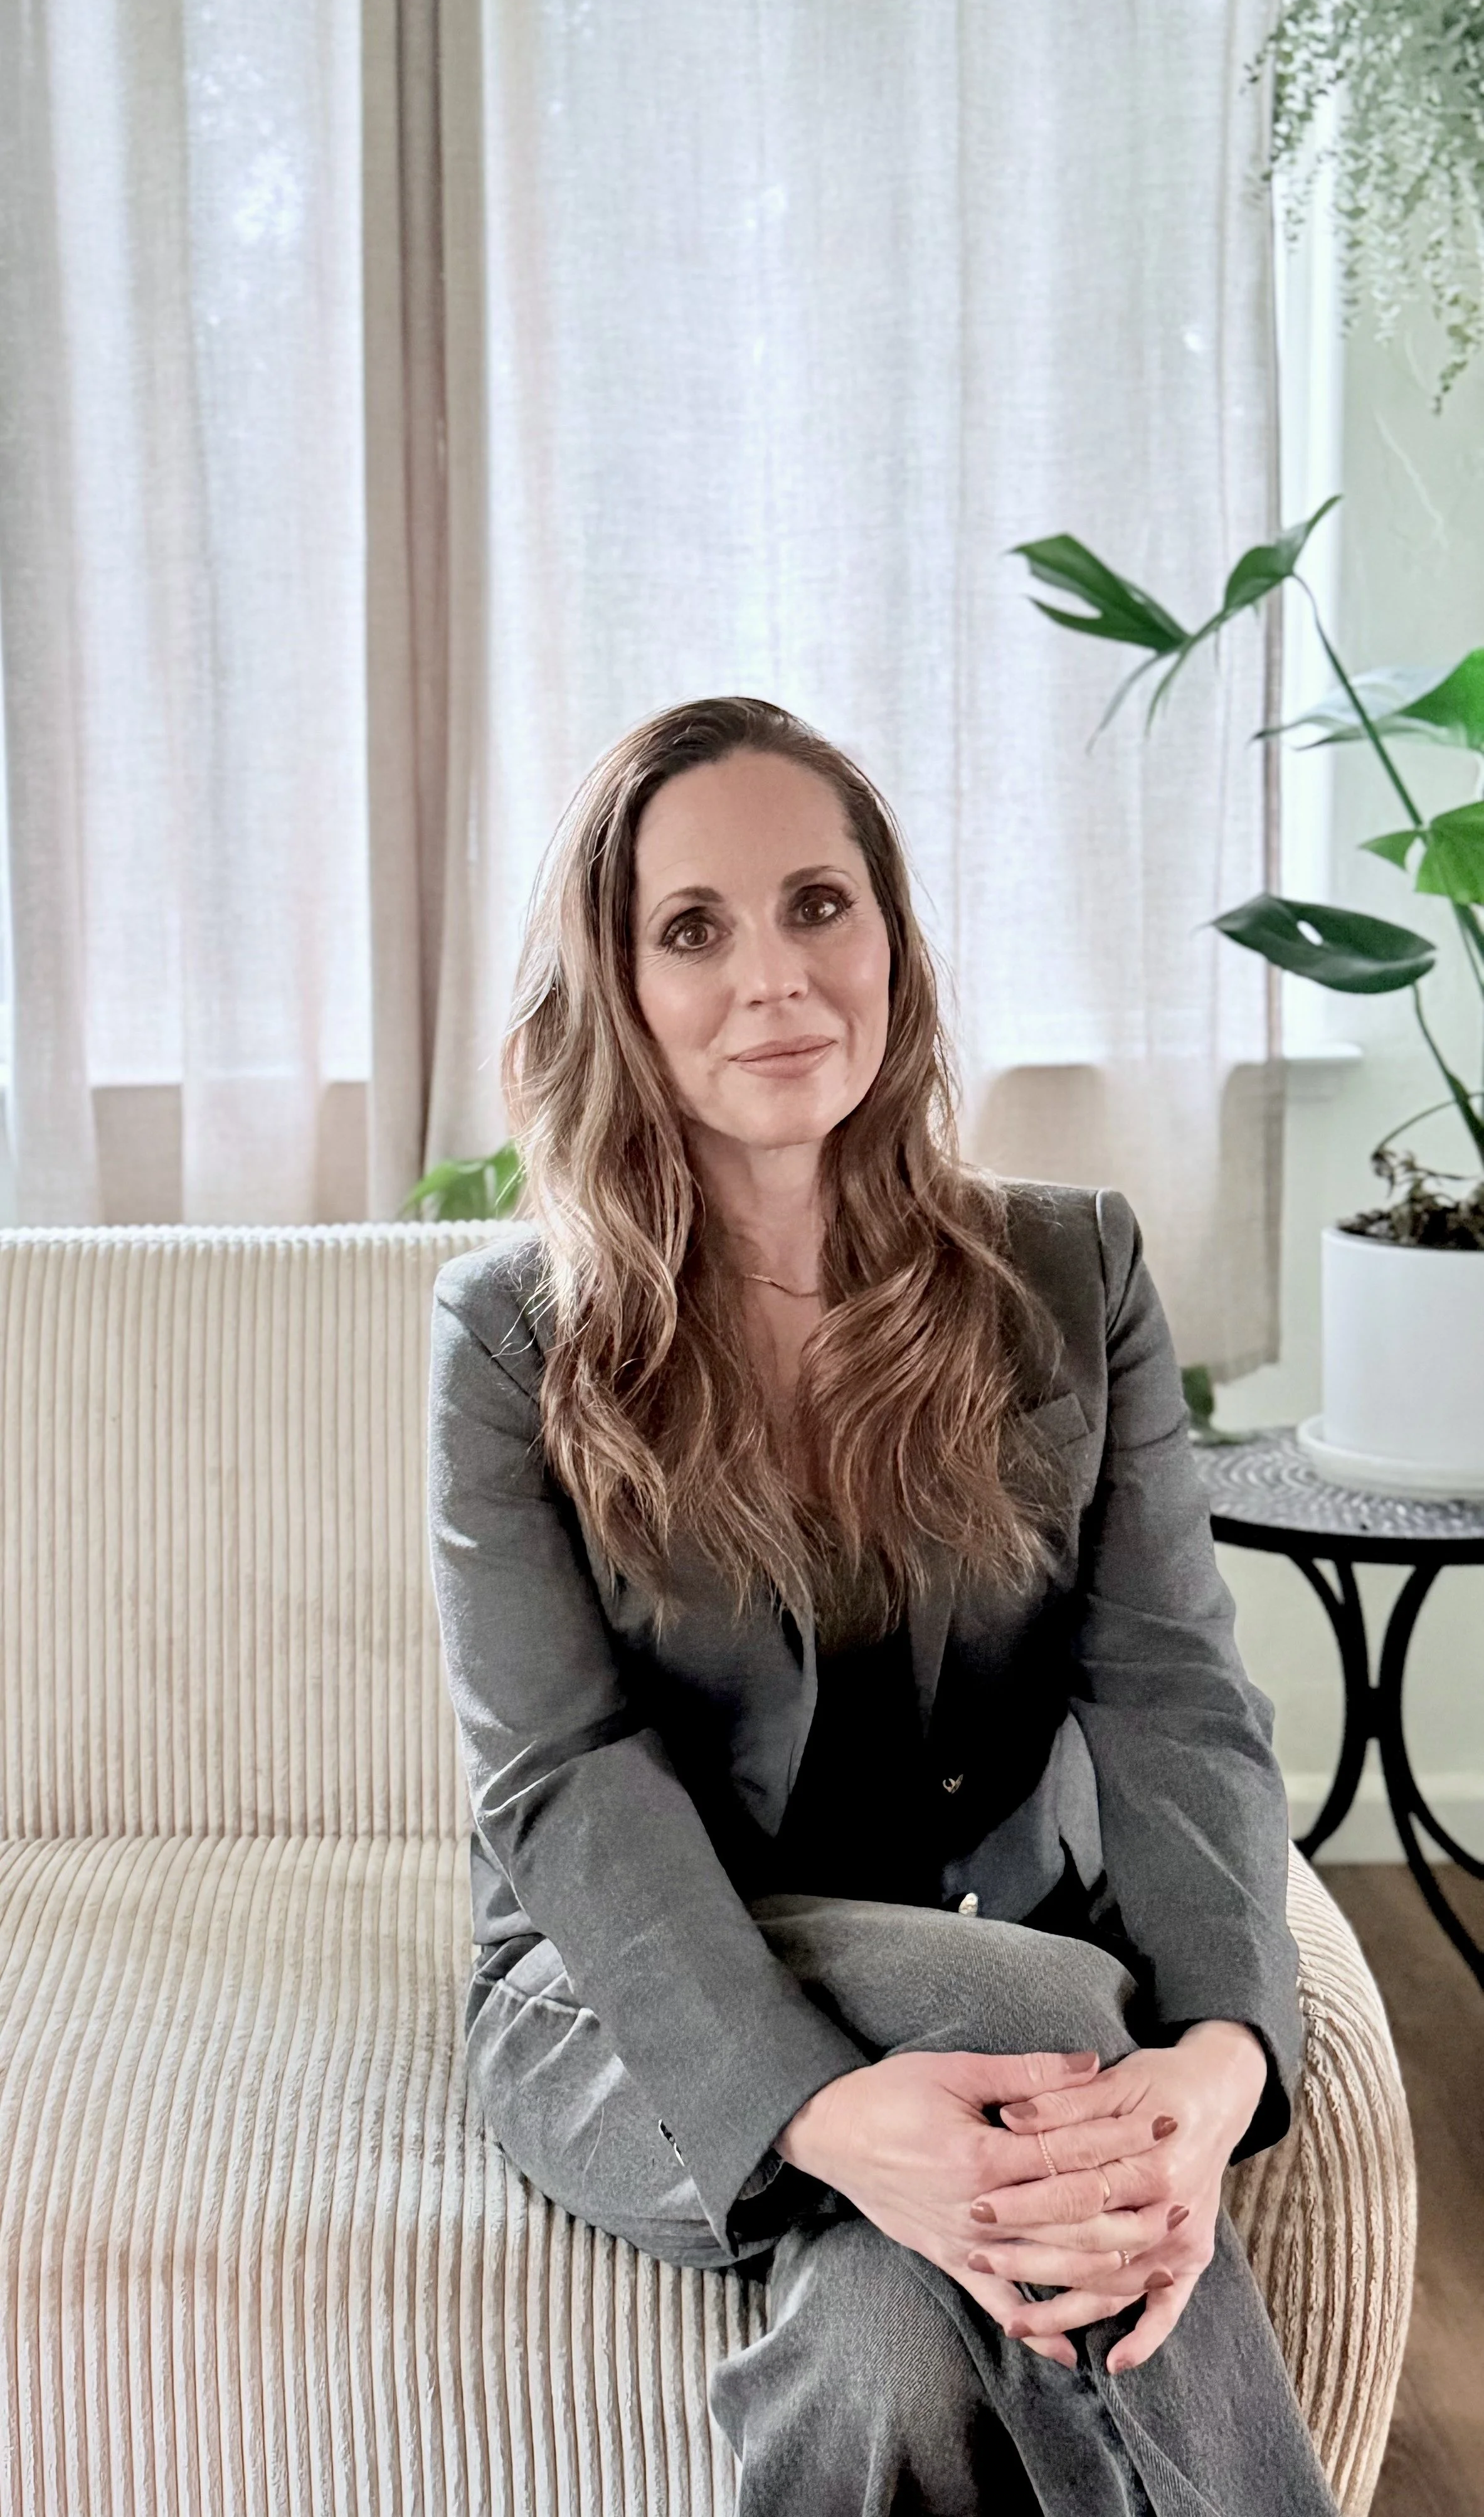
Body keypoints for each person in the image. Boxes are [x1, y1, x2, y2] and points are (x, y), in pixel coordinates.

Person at [427, 694, 1341, 2515]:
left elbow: (1169, 1697)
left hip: (992, 1941)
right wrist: (828, 2114)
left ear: (892, 941)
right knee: (1044, 2002)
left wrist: (1229, 2051)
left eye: (816, 904)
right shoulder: (514, 1338)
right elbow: (565, 1781)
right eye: (692, 928)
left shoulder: (1066, 1272)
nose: (773, 976)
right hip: (633, 2000)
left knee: (891, 2354)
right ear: (616, 987)